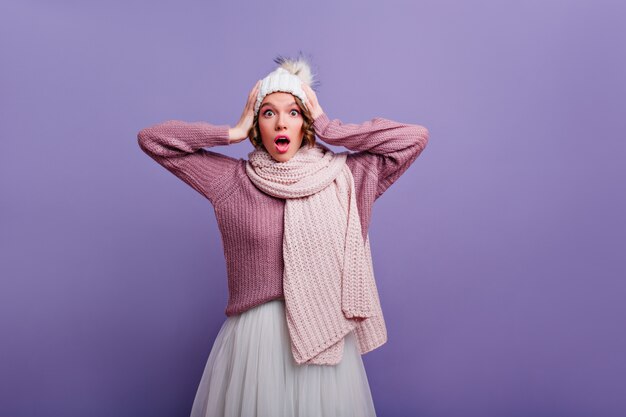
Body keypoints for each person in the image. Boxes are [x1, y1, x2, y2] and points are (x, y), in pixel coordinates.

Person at [137, 55, 430, 417]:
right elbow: (153, 140)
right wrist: (232, 131)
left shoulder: (347, 178)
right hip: (255, 345)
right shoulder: (232, 181)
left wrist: (330, 126)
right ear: (257, 124)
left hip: (326, 343)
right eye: (268, 112)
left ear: (304, 122)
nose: (281, 122)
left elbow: (413, 138)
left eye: (293, 112)